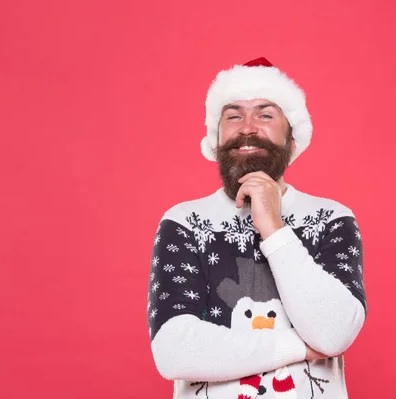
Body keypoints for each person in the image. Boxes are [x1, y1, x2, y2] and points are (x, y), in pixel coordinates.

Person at [147, 57, 368, 398]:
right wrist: (301, 347)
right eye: (233, 116)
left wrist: (274, 227)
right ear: (216, 140)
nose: (247, 127)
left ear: (292, 140)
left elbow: (334, 332)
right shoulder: (184, 223)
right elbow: (174, 351)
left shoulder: (332, 219)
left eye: (265, 114)